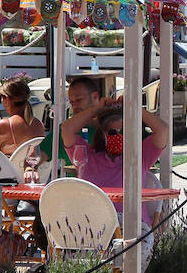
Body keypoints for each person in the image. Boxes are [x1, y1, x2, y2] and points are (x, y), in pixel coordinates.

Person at [64, 94, 170, 230]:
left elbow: (162, 130)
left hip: (133, 227)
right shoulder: (87, 157)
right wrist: (96, 109)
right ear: (103, 134)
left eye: (124, 131)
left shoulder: (139, 157)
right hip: (93, 226)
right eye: (113, 132)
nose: (119, 136)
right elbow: (67, 129)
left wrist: (134, 108)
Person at [38, 76, 102, 171]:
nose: (74, 106)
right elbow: (38, 155)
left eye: (79, 100)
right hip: (74, 184)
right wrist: (29, 170)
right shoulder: (65, 131)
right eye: (72, 102)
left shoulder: (110, 126)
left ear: (95, 97)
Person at [0, 76, 46, 157]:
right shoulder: (38, 124)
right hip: (34, 168)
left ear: (6, 99)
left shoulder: (4, 124)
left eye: (1, 97)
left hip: (9, 169)